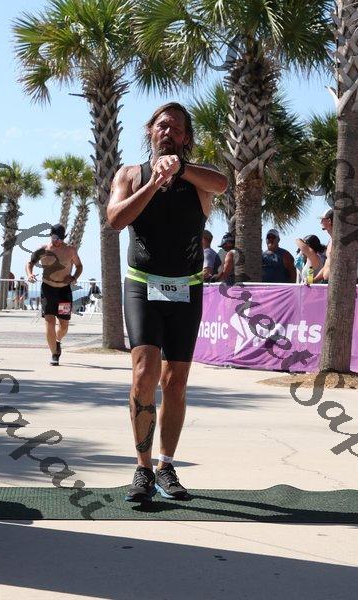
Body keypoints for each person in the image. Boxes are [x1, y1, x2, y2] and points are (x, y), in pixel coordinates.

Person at [107, 102, 228, 502]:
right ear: (150, 131)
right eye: (162, 126)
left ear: (186, 137)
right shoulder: (129, 174)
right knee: (144, 374)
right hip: (142, 286)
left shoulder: (199, 180)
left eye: (177, 128)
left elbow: (223, 184)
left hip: (186, 288)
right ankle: (142, 469)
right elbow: (116, 219)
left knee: (174, 382)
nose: (168, 133)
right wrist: (154, 183)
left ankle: (166, 466)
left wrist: (180, 170)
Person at [26, 224, 83, 366]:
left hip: (64, 292)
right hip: (48, 290)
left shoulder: (70, 250)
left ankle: (57, 341)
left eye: (61, 239)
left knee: (64, 325)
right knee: (49, 322)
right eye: (55, 238)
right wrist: (30, 274)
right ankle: (54, 354)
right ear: (51, 236)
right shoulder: (43, 250)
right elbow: (30, 263)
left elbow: (79, 266)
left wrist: (74, 277)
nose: (58, 241)